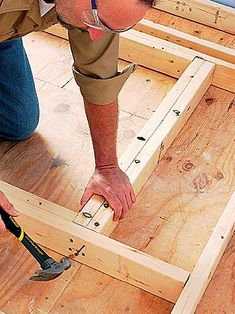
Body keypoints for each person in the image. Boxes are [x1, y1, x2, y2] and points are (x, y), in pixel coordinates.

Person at [0, 0, 154, 233]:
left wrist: (107, 167)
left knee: (19, 122)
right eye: (98, 22)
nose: (95, 35)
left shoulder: (100, 10)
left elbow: (98, 78)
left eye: (111, 28)